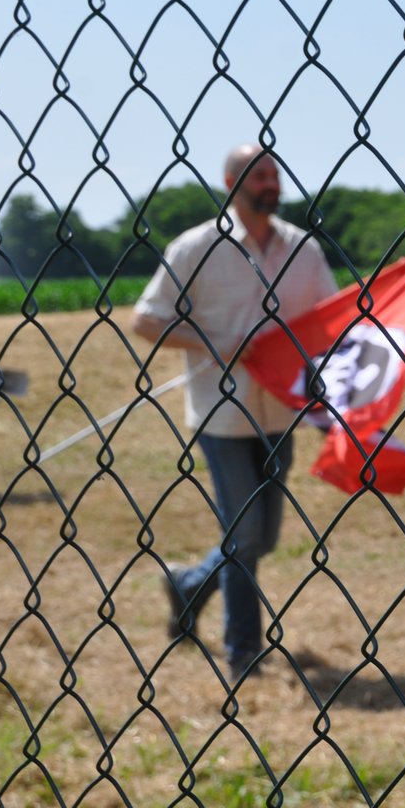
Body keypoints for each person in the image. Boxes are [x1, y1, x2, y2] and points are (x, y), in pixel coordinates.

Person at [132, 145, 337, 680]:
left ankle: (189, 584)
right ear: (231, 181)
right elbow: (148, 320)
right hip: (223, 415)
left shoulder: (302, 249)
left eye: (275, 172)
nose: (271, 181)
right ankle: (243, 649)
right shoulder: (197, 247)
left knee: (260, 537)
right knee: (245, 535)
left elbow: (329, 321)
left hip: (281, 412)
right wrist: (220, 340)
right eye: (259, 173)